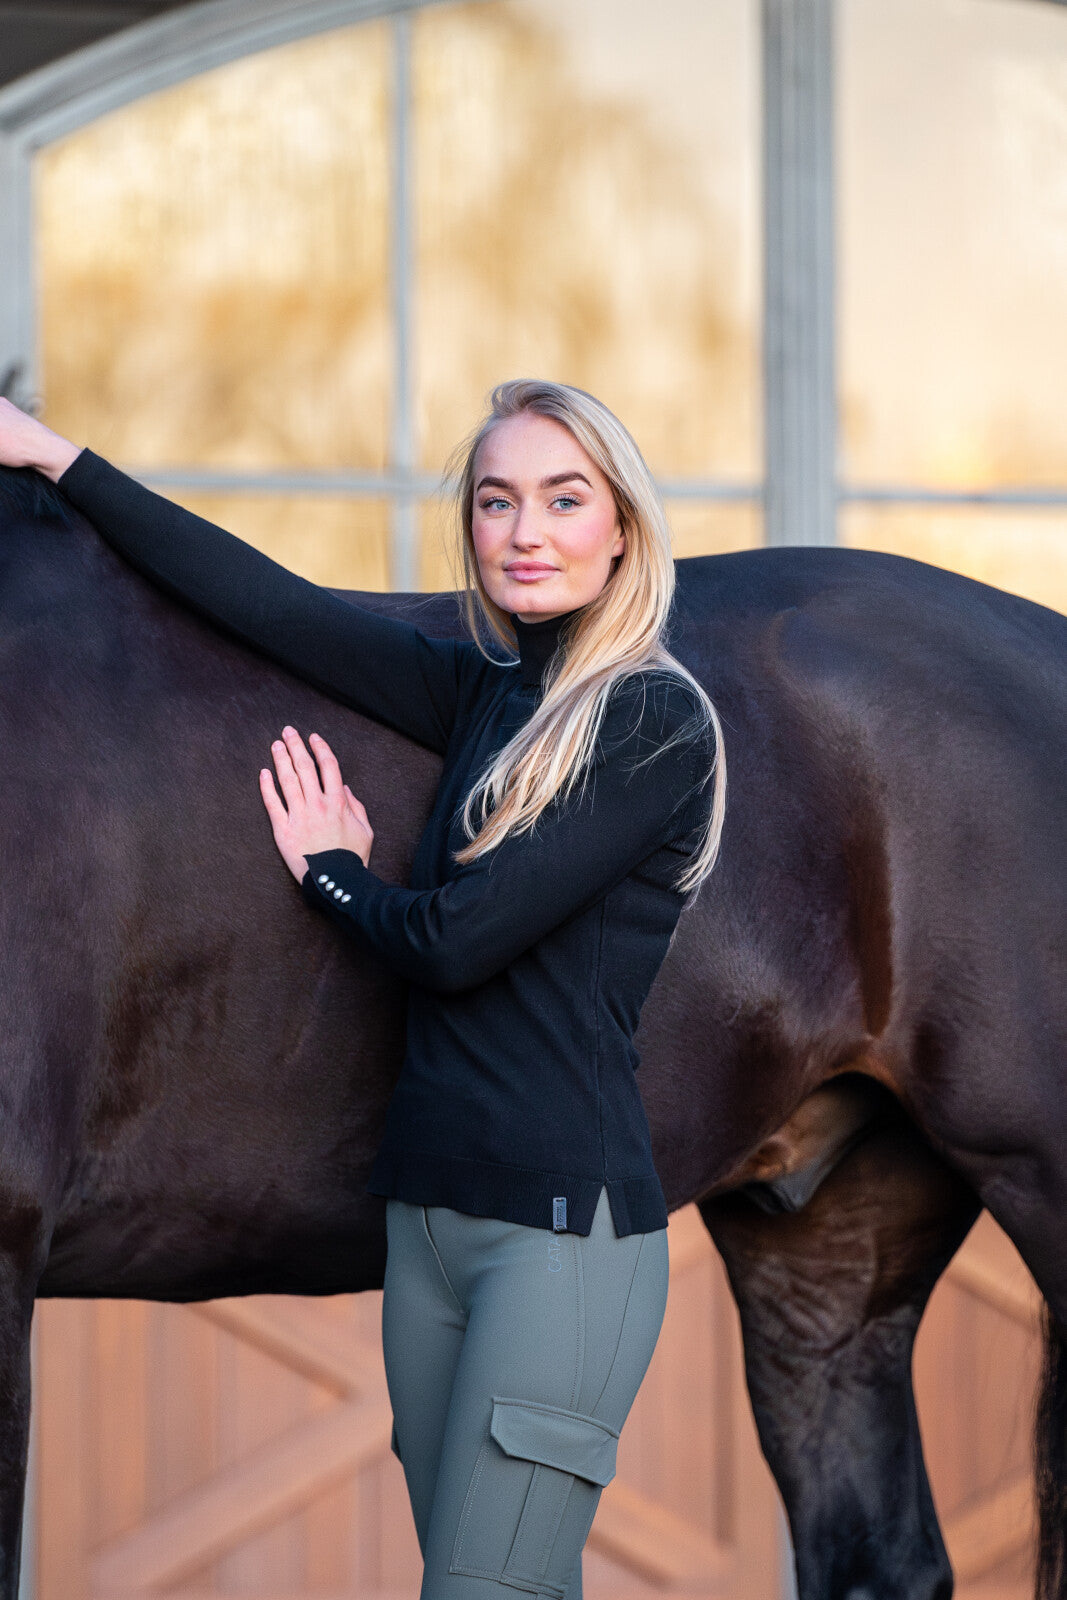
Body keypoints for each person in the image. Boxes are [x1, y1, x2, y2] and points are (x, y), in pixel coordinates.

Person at [0, 379, 725, 1599]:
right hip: (428, 1233)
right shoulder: (484, 693)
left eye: (562, 498)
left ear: (621, 528)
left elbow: (454, 942)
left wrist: (331, 872)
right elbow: (271, 606)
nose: (524, 531)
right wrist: (57, 458)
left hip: (557, 1244)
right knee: (494, 1580)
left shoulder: (650, 721)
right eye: (496, 502)